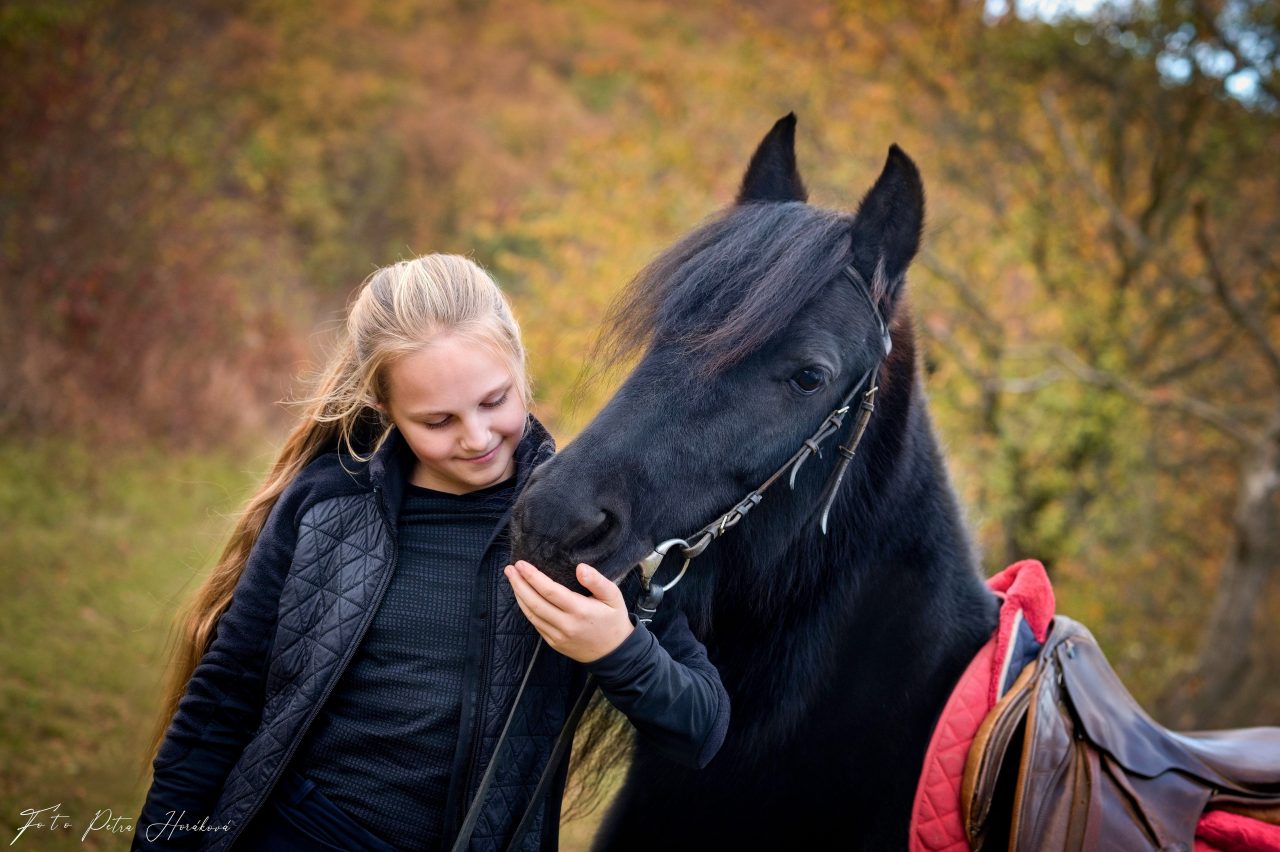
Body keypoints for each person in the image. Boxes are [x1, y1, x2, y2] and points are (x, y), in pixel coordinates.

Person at [133, 254, 729, 851]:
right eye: (438, 420)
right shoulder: (325, 502)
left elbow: (701, 730)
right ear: (385, 407)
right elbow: (222, 701)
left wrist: (618, 651)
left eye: (494, 402)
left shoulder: (582, 526)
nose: (475, 437)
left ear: (520, 369)